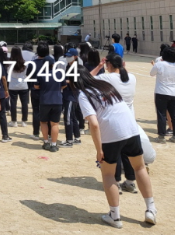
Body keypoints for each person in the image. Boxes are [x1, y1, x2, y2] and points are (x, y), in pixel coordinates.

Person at [76, 66, 158, 228]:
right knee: (140, 167)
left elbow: (93, 124)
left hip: (111, 135)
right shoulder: (105, 86)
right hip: (131, 129)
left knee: (108, 175)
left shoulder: (83, 94)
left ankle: (115, 216)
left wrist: (99, 150)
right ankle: (151, 209)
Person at [91, 53, 138, 192]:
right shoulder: (132, 77)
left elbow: (87, 78)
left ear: (108, 64)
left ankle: (116, 181)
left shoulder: (107, 78)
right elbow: (123, 75)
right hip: (130, 120)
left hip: (115, 120)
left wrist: (99, 66)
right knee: (128, 153)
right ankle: (130, 181)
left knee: (114, 153)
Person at [34, 43, 64, 153]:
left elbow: (36, 86)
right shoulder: (60, 73)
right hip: (57, 100)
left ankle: (46, 142)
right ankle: (54, 144)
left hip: (45, 100)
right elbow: (64, 85)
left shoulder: (41, 74)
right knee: (55, 123)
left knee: (44, 122)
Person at [150, 48, 175, 143]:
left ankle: (161, 136)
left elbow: (152, 73)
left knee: (161, 114)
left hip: (161, 92)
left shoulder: (160, 64)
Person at [60, 49, 81, 148]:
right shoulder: (69, 66)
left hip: (71, 95)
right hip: (68, 94)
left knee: (67, 118)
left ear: (75, 56)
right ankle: (77, 137)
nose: (68, 58)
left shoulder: (77, 68)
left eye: (70, 56)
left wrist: (66, 81)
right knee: (72, 117)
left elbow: (77, 83)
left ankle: (69, 141)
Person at [8, 46, 29, 127]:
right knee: (24, 104)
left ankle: (14, 121)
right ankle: (24, 121)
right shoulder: (25, 63)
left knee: (13, 104)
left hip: (13, 85)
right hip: (23, 85)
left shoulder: (9, 63)